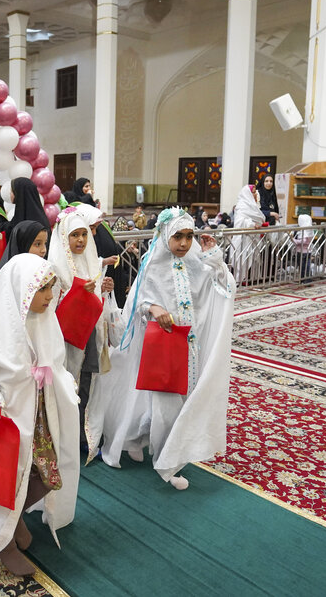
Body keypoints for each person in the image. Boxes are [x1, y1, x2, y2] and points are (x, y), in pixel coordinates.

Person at [0, 253, 79, 576]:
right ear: (22, 291)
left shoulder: (46, 320)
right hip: (7, 419)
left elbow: (56, 363)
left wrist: (63, 384)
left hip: (40, 417)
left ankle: (16, 518)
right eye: (43, 289)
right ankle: (3, 542)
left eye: (51, 288)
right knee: (6, 482)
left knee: (48, 477)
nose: (50, 296)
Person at [98, 208, 235, 489]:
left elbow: (224, 290)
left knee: (174, 401)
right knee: (165, 405)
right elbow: (137, 303)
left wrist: (213, 258)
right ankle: (167, 463)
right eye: (177, 237)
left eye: (189, 236)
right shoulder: (153, 264)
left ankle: (135, 440)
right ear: (164, 235)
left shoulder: (198, 263)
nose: (184, 243)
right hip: (161, 345)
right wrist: (153, 307)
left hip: (189, 347)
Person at [48, 208, 117, 452]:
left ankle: (82, 435)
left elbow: (98, 303)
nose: (80, 240)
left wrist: (104, 289)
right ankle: (62, 438)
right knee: (67, 386)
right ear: (63, 238)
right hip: (65, 340)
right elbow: (48, 309)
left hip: (89, 336)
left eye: (84, 234)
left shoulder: (90, 263)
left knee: (87, 383)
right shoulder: (55, 268)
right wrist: (77, 294)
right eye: (74, 235)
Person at [232, 184, 267, 283]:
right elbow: (240, 221)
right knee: (243, 261)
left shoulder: (253, 205)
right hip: (243, 238)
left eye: (256, 191)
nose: (256, 194)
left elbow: (260, 217)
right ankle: (238, 281)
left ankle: (251, 280)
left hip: (253, 238)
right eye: (253, 192)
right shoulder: (242, 206)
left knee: (253, 260)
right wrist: (252, 224)